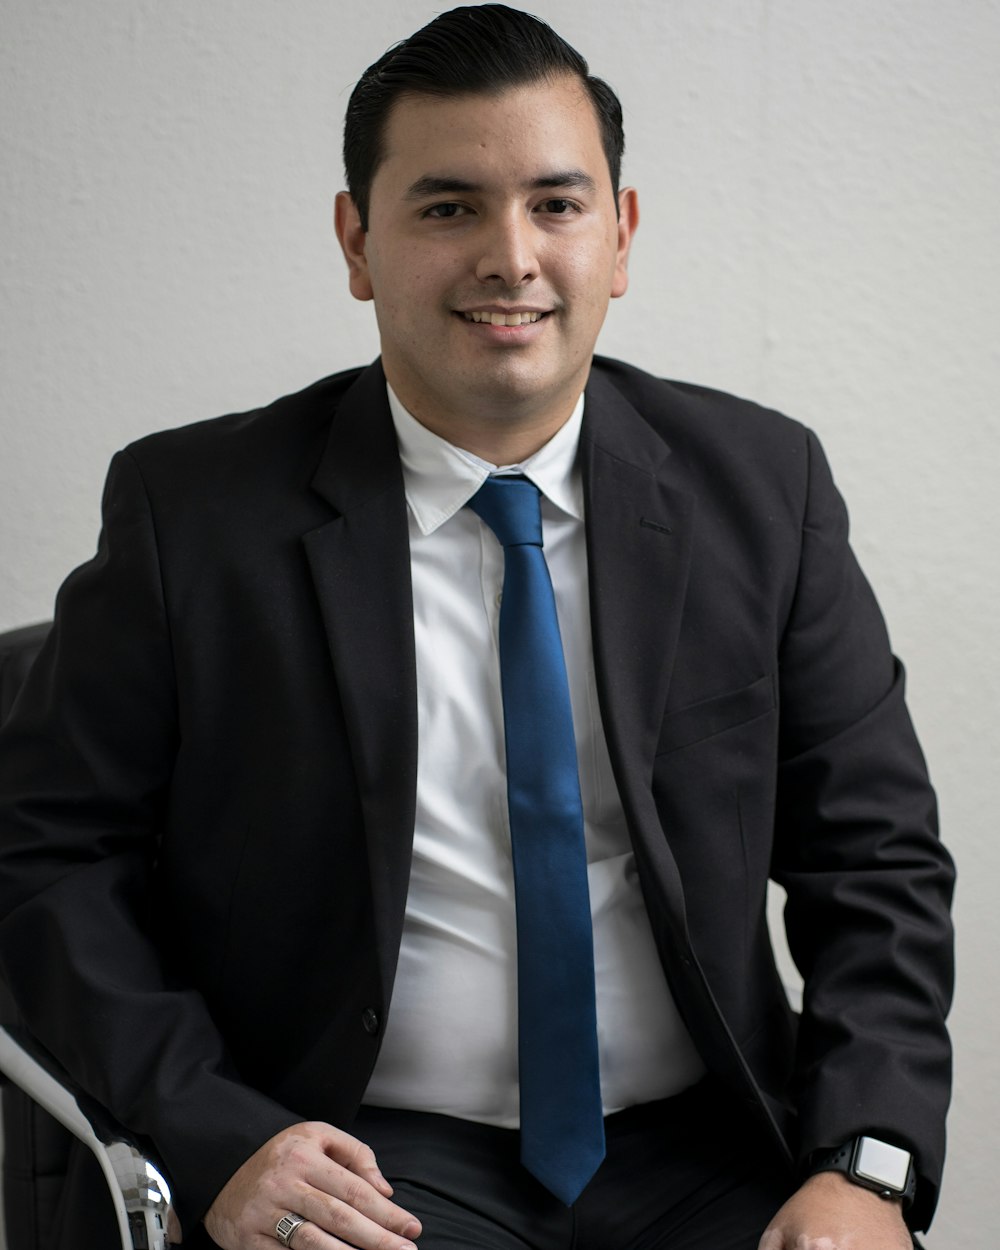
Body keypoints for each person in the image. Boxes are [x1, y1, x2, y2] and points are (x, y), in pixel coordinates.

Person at [0, 6, 954, 1249]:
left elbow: (874, 858)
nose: (511, 257)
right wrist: (215, 1124)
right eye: (447, 207)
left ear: (620, 236)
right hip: (362, 1155)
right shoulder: (195, 515)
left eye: (556, 205)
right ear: (357, 240)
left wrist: (864, 1164)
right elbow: (44, 855)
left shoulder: (763, 492)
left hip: (715, 1146)